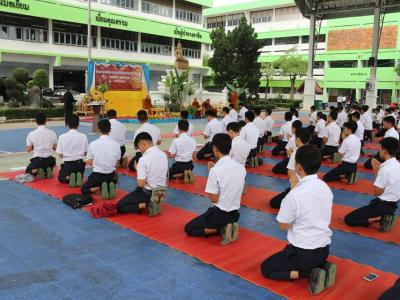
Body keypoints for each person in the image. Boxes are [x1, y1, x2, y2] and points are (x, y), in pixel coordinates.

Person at [261, 145, 335, 296]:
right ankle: (322, 265)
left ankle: (309, 273)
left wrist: (293, 190)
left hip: (303, 254)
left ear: (298, 167)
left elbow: (283, 225)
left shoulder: (295, 195)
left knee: (266, 268)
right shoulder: (325, 187)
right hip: (324, 249)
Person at [184, 133, 246, 245]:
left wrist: (211, 174)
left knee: (189, 229)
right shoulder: (241, 167)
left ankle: (220, 229)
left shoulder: (216, 170)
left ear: (215, 149)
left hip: (219, 214)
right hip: (235, 214)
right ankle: (228, 224)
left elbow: (214, 199)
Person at [92, 132, 168, 218]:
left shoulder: (144, 159)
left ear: (143, 143)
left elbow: (141, 184)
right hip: (162, 191)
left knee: (120, 206)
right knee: (130, 198)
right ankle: (154, 202)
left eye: (139, 147)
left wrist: (137, 169)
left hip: (148, 193)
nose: (140, 150)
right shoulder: (163, 154)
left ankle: (148, 204)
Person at [344, 137, 400, 232]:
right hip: (393, 204)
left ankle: (380, 218)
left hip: (382, 206)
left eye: (381, 149)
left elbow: (377, 192)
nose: (379, 151)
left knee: (348, 219)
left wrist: (376, 171)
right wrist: (378, 170)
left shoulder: (385, 169)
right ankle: (384, 215)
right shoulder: (397, 165)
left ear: (385, 151)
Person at [269, 128, 310, 209]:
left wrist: (293, 192)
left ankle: (296, 204)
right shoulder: (312, 151)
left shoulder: (296, 153)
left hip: (298, 186)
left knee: (273, 202)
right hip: (310, 186)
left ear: (298, 139)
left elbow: (291, 173)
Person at [81, 119, 121, 199]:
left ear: (98, 129)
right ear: (110, 129)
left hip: (97, 176)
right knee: (112, 178)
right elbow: (117, 164)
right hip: (111, 176)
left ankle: (100, 188)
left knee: (84, 189)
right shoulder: (116, 145)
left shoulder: (93, 144)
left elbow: (88, 161)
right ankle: (110, 185)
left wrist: (97, 163)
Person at [56, 114, 88, 187]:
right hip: (80, 165)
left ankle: (69, 177)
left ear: (67, 124)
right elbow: (85, 153)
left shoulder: (62, 137)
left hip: (68, 165)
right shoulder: (83, 136)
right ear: (78, 124)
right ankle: (78, 177)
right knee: (78, 171)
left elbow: (60, 155)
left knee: (61, 178)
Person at [25, 112, 57, 178]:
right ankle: (47, 170)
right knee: (47, 165)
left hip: (38, 160)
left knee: (28, 171)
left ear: (36, 121)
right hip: (50, 161)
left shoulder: (31, 134)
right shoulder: (52, 133)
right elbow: (55, 148)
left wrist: (34, 146)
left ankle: (38, 170)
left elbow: (29, 150)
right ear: (46, 120)